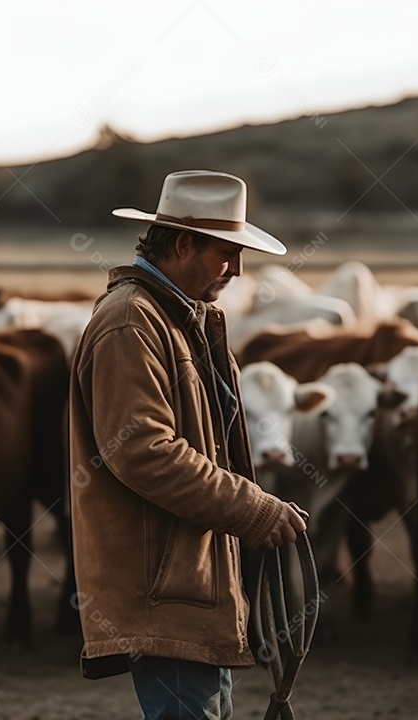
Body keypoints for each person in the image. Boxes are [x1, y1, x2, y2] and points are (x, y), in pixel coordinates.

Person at [69, 170, 308, 719]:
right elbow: (143, 449)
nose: (238, 268)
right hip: (166, 590)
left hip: (191, 585)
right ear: (183, 243)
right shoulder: (132, 321)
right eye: (227, 252)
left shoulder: (176, 319)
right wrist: (253, 508)